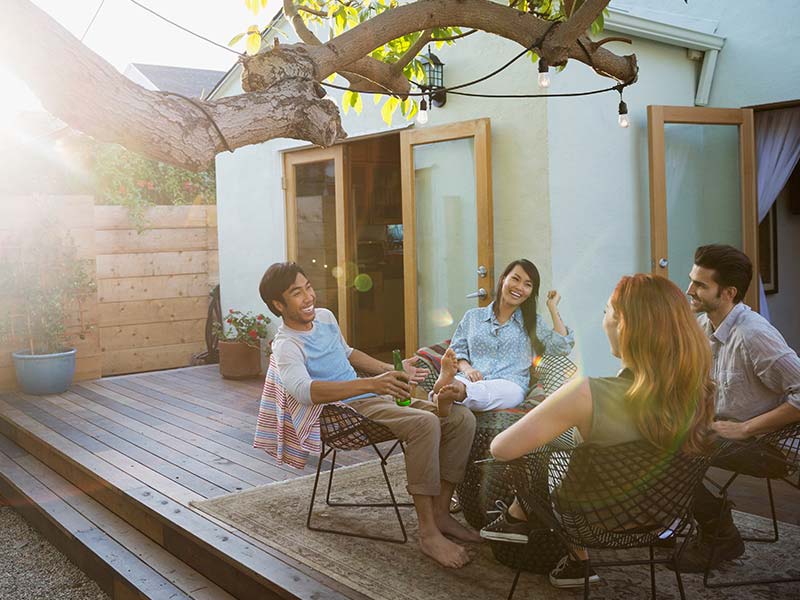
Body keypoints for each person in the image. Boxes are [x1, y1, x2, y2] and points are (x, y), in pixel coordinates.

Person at [479, 274, 715, 589]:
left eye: (606, 311)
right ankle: (562, 553)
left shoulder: (586, 393)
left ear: (624, 325)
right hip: (664, 519)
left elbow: (501, 449)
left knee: (545, 447)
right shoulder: (701, 392)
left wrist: (556, 409)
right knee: (573, 442)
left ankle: (517, 518)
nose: (602, 320)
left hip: (590, 524)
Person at [259, 262, 479, 568]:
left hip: (374, 398)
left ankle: (441, 512)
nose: (309, 297)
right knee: (426, 423)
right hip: (346, 412)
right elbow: (303, 391)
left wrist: (392, 371)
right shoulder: (286, 345)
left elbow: (348, 353)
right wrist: (370, 384)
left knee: (460, 418)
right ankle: (428, 533)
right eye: (297, 293)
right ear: (278, 305)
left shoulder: (324, 318)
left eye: (309, 287)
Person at [674, 244, 800, 572]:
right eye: (692, 281)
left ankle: (718, 533)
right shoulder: (705, 326)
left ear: (728, 293)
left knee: (666, 451)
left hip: (767, 445)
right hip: (724, 429)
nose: (690, 290)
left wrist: (745, 429)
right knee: (647, 432)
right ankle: (677, 517)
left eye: (700, 285)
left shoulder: (753, 334)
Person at [433, 259, 575, 413]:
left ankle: (455, 394)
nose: (519, 287)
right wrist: (467, 369)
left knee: (496, 393)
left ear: (530, 294)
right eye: (515, 279)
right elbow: (457, 350)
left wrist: (553, 308)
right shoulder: (472, 317)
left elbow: (562, 346)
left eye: (527, 284)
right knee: (455, 385)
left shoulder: (533, 322)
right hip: (471, 379)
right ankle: (451, 390)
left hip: (510, 384)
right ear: (503, 279)